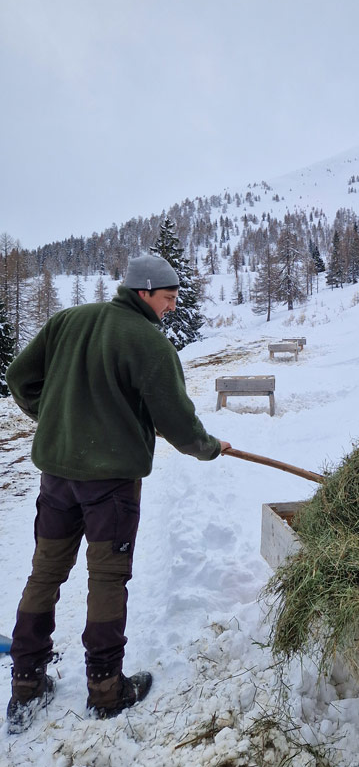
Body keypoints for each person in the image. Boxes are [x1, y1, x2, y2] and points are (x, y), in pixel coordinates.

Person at [4, 255, 233, 734]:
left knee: (44, 572)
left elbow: (19, 378)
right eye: (168, 298)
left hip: (57, 477)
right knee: (107, 577)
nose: (171, 308)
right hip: (110, 486)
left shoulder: (68, 321)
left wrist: (52, 416)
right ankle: (106, 690)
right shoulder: (147, 342)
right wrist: (210, 448)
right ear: (145, 291)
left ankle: (26, 683)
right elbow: (177, 422)